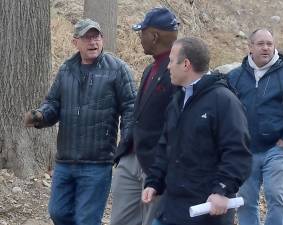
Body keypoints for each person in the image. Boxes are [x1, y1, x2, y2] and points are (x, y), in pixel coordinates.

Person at [24, 18, 136, 225]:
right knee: (58, 212)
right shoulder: (66, 69)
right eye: (87, 38)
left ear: (102, 39)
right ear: (76, 42)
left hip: (98, 162)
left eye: (96, 37)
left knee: (86, 219)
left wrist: (126, 143)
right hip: (65, 161)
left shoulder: (118, 69)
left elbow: (131, 107)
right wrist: (40, 116)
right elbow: (53, 104)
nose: (93, 42)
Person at [141, 37, 252, 225]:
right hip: (171, 208)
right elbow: (166, 146)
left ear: (186, 64)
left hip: (205, 212)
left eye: (171, 60)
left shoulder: (224, 101)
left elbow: (238, 153)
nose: (168, 67)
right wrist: (154, 181)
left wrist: (221, 190)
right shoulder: (178, 100)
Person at [227, 29, 283, 225]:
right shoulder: (234, 77)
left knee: (277, 198)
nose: (266, 47)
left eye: (269, 43)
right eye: (260, 44)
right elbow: (225, 112)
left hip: (276, 149)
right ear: (250, 47)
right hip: (244, 151)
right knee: (245, 202)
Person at [111, 7, 178, 225]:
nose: (140, 38)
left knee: (151, 220)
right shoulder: (150, 68)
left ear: (154, 36)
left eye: (142, 33)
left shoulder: (177, 70)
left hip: (155, 164)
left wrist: (162, 163)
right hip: (131, 156)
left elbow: (176, 122)